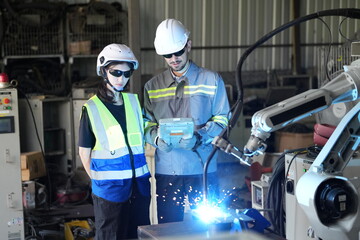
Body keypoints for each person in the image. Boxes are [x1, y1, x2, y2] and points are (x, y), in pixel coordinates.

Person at [143, 19, 231, 224]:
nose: (173, 59)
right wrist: (156, 138)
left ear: (188, 45)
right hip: (167, 169)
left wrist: (199, 138)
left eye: (178, 52)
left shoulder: (211, 80)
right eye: (167, 55)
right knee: (169, 229)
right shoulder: (152, 87)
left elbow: (223, 119)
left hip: (202, 168)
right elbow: (146, 122)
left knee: (209, 227)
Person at [78, 43, 151, 239]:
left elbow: (145, 132)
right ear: (104, 72)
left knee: (140, 234)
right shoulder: (91, 108)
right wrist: (99, 181)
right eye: (116, 72)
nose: (122, 79)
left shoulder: (134, 102)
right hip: (110, 192)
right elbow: (84, 153)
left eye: (127, 74)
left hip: (139, 187)